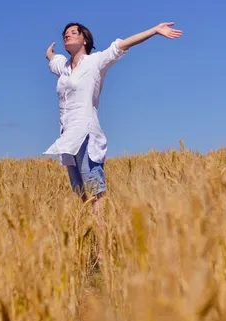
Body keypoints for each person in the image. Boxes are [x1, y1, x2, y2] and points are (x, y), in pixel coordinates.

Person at [44, 21, 183, 212]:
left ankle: (103, 237)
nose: (67, 35)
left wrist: (155, 30)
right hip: (67, 138)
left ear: (85, 40)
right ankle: (91, 233)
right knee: (79, 191)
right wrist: (49, 53)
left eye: (73, 32)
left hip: (85, 134)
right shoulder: (64, 67)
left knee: (94, 189)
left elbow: (124, 44)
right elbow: (52, 59)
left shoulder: (95, 61)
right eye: (65, 34)